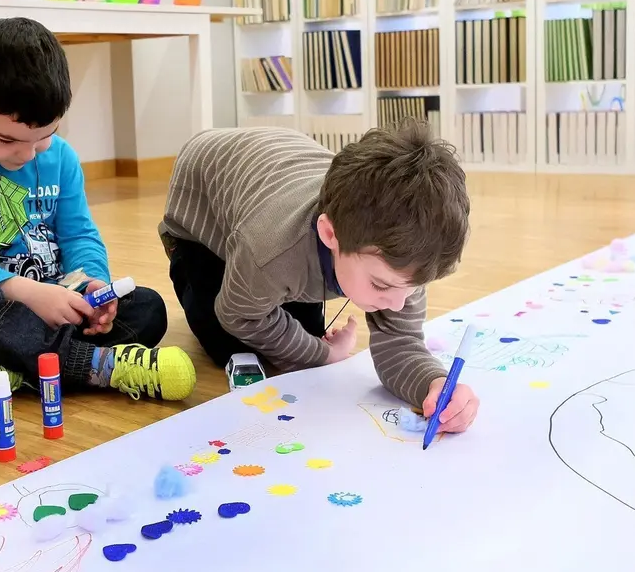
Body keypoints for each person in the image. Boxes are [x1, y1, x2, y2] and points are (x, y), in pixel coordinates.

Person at [0, 17, 196, 408]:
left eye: (45, 137)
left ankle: (14, 372)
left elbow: (79, 235)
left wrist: (93, 284)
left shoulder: (62, 158)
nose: (27, 153)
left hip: (58, 309)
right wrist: (29, 293)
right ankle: (96, 366)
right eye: (7, 140)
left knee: (148, 307)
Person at [159, 122, 480, 433]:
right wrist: (322, 354)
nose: (398, 303)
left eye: (412, 288)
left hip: (277, 176)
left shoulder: (406, 260)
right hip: (200, 195)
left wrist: (434, 384)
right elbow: (236, 313)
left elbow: (400, 343)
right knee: (227, 343)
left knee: (303, 331)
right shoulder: (271, 249)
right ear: (329, 234)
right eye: (381, 285)